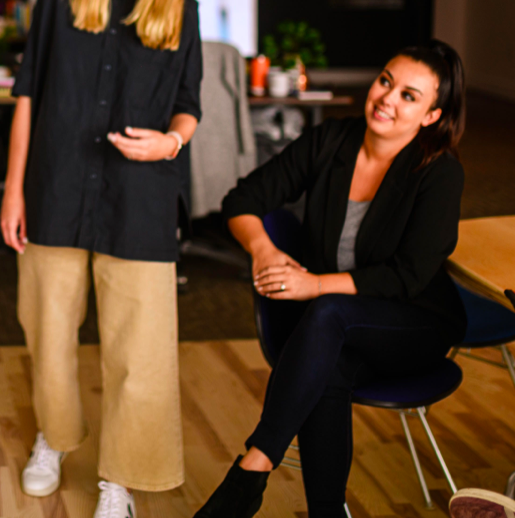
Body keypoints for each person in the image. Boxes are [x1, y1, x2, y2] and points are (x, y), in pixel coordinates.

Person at [0, 0, 203, 518]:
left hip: (140, 194)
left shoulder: (181, 9)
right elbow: (27, 93)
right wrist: (12, 190)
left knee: (138, 346)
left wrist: (170, 142)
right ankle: (53, 438)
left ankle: (120, 474)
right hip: (55, 187)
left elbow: (189, 105)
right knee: (48, 326)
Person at [195, 40, 468, 518]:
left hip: (415, 324)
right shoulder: (331, 141)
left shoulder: (439, 173)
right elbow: (242, 200)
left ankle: (250, 471)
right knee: (329, 364)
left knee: (327, 312)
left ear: (431, 115)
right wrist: (264, 251)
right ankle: (326, 512)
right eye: (386, 81)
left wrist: (315, 285)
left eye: (409, 95)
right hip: (334, 326)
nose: (387, 99)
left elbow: (407, 276)